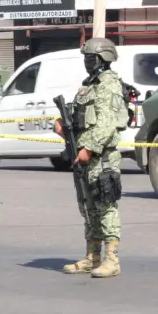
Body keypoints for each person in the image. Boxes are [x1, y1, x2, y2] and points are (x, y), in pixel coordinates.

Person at [53, 38, 128, 278]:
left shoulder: (110, 85)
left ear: (102, 59)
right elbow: (82, 118)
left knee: (105, 206)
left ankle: (112, 259)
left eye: (90, 58)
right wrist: (63, 126)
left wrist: (90, 148)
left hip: (101, 156)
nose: (87, 62)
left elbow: (107, 125)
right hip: (83, 156)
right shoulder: (89, 85)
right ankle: (92, 257)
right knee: (88, 207)